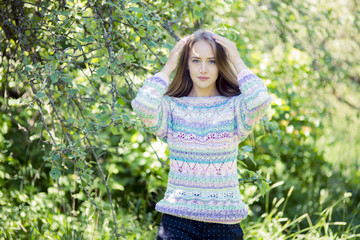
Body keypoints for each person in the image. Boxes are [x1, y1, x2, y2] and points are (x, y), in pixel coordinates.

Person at [131, 29, 272, 240]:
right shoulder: (172, 108)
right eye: (196, 60)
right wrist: (169, 65)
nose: (203, 69)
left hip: (224, 225)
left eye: (212, 61)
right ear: (186, 65)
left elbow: (260, 101)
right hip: (177, 222)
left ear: (221, 65)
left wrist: (236, 58)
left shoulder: (234, 107)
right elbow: (143, 106)